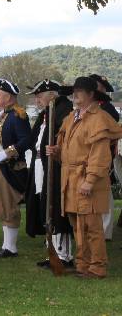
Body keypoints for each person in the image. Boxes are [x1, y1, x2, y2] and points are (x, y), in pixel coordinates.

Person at [47, 76, 122, 279]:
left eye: (80, 91)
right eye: (74, 91)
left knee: (91, 226)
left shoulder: (98, 119)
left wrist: (89, 180)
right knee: (77, 225)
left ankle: (97, 267)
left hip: (88, 180)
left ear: (91, 95)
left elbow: (100, 155)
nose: (75, 94)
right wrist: (56, 151)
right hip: (70, 179)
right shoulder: (72, 117)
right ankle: (83, 264)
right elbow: (68, 152)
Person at [24, 79, 74, 268]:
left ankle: (64, 255)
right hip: (40, 163)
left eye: (40, 96)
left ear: (52, 95)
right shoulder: (46, 113)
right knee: (44, 205)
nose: (37, 101)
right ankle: (51, 250)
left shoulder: (64, 111)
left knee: (56, 208)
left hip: (56, 165)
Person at [0, 79, 32, 258]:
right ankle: (6, 245)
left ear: (9, 97)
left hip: (9, 168)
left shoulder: (18, 115)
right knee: (1, 207)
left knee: (9, 207)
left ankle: (11, 248)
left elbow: (26, 140)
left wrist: (8, 153)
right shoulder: (4, 115)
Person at [89, 74, 119, 242]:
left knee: (105, 192)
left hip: (103, 155)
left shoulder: (108, 109)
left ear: (101, 88)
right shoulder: (94, 106)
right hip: (92, 155)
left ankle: (105, 230)